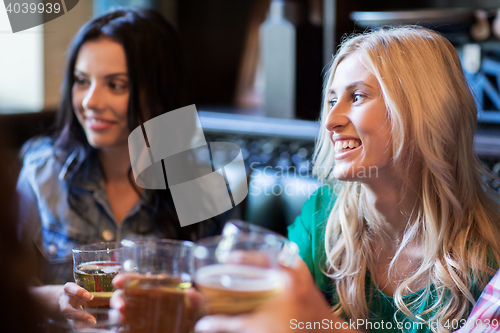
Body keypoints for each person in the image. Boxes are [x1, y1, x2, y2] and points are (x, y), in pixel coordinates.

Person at [193, 26, 500, 333]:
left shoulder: (489, 257)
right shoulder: (323, 218)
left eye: (356, 96)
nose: (330, 121)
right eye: (331, 101)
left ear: (422, 111)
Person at [16, 7, 228, 314]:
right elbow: (10, 289)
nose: (90, 102)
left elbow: (216, 303)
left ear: (158, 93)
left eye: (116, 85)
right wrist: (56, 299)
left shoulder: (202, 183)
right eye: (81, 80)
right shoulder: (43, 171)